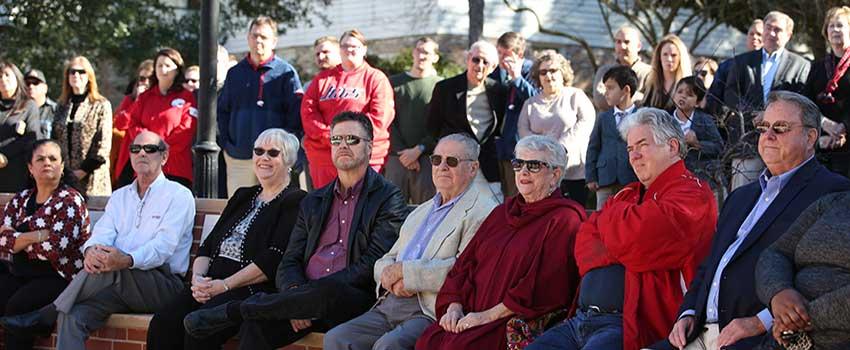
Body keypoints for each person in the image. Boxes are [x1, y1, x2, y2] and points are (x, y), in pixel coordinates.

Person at [183, 112, 407, 349]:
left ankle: (236, 310)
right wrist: (295, 295)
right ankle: (254, 309)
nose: (343, 145)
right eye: (336, 140)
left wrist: (304, 298)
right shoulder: (316, 200)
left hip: (351, 297)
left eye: (352, 139)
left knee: (329, 288)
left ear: (369, 147)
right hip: (300, 297)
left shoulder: (387, 197)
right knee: (256, 327)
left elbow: (373, 262)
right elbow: (290, 259)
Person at [654, 91, 850, 350]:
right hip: (697, 332)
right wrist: (688, 311)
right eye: (763, 127)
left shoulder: (832, 192)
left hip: (757, 338)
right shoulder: (740, 196)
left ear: (810, 137)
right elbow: (712, 263)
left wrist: (762, 321)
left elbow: (824, 277)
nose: (768, 136)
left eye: (780, 128)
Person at [528, 108, 717, 350]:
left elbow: (640, 242)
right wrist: (622, 239)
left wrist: (610, 227)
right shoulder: (627, 194)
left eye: (642, 145)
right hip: (580, 319)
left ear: (671, 146)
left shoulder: (693, 193)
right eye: (629, 148)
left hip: (629, 326)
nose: (634, 155)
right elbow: (585, 246)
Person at [0, 131, 195, 349]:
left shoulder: (178, 195)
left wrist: (127, 259)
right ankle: (54, 312)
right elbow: (102, 233)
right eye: (135, 149)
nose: (142, 153)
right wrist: (91, 250)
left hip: (163, 284)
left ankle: (48, 313)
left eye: (150, 149)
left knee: (111, 272)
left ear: (164, 157)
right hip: (116, 281)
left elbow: (163, 248)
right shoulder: (120, 196)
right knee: (72, 314)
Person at [323, 133, 498, 350]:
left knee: (388, 346)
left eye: (452, 161)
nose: (442, 166)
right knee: (336, 338)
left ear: (473, 168)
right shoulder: (421, 210)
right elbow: (387, 260)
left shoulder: (484, 210)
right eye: (436, 160)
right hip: (389, 301)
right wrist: (389, 275)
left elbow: (463, 269)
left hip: (429, 309)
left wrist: (407, 274)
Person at [414, 135, 585, 350]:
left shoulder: (564, 219)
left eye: (533, 166)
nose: (523, 171)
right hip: (468, 314)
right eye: (518, 164)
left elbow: (543, 287)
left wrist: (484, 317)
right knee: (428, 341)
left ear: (555, 174)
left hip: (508, 320)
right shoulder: (502, 212)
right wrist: (454, 305)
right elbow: (465, 264)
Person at [147, 129, 306, 349]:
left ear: (288, 160)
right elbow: (209, 245)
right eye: (258, 151)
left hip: (250, 288)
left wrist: (224, 286)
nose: (264, 158)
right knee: (163, 323)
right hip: (211, 284)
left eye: (273, 153)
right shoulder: (243, 195)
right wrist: (199, 280)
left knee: (199, 328)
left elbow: (273, 258)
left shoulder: (295, 200)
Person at [0, 140, 90, 350]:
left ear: (61, 165)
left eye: (52, 159)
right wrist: (38, 235)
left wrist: (19, 238)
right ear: (30, 168)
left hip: (59, 276)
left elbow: (57, 250)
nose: (47, 163)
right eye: (40, 159)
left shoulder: (69, 200)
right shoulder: (20, 199)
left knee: (18, 307)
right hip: (22, 273)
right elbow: (3, 242)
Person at [218, 16, 305, 196]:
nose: (258, 40)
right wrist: (228, 144)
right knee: (238, 212)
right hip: (239, 157)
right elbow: (223, 111)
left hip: (273, 158)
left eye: (264, 37)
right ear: (248, 38)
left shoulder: (286, 72)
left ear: (274, 41)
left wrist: (283, 149)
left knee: (274, 212)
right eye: (254, 35)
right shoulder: (235, 73)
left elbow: (295, 116)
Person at [724, 11, 811, 190]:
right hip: (747, 142)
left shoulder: (801, 65)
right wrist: (751, 115)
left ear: (789, 35)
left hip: (784, 144)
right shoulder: (742, 61)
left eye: (777, 30)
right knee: (743, 199)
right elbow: (731, 93)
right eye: (768, 28)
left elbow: (801, 100)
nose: (771, 33)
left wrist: (769, 116)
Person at [301, 29, 395, 189]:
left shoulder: (375, 78)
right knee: (326, 209)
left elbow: (380, 118)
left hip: (363, 156)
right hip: (324, 156)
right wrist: (331, 137)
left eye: (354, 46)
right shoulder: (322, 79)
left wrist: (348, 139)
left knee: (362, 208)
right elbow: (308, 112)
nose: (349, 49)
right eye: (344, 46)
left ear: (364, 49)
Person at [756, 195, 850, 348]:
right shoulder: (833, 202)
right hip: (781, 341)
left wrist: (801, 317)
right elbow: (776, 252)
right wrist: (779, 292)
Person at [427, 40, 507, 201]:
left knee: (491, 211)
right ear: (468, 59)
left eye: (486, 62)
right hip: (453, 164)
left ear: (492, 68)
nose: (480, 65)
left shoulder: (499, 91)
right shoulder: (445, 88)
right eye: (476, 59)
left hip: (487, 164)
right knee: (448, 210)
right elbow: (432, 126)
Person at [518, 51, 596, 204]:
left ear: (563, 73)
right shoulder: (530, 103)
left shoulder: (576, 96)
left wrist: (561, 146)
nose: (548, 75)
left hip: (573, 170)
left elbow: (586, 121)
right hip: (540, 171)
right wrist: (542, 151)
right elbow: (523, 130)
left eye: (553, 70)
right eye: (543, 72)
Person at [114, 48, 197, 189]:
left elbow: (186, 129)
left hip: (176, 169)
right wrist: (149, 146)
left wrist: (160, 149)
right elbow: (133, 123)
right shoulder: (145, 97)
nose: (163, 69)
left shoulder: (187, 97)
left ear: (177, 70)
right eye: (159, 65)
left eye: (168, 66)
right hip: (146, 169)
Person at [385, 37, 442, 204]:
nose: (421, 56)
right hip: (397, 158)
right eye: (419, 50)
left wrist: (418, 150)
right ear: (413, 53)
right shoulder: (394, 83)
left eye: (427, 52)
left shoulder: (441, 86)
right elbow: (387, 121)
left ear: (435, 57)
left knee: (425, 212)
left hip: (427, 159)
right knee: (391, 212)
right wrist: (404, 152)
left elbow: (441, 125)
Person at [52, 56, 113, 196]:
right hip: (64, 178)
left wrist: (81, 172)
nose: (76, 75)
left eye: (81, 72)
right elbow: (54, 139)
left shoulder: (101, 105)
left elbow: (103, 146)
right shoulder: (61, 106)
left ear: (89, 76)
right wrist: (64, 172)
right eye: (72, 72)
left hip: (93, 179)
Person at [491, 32, 538, 198]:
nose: (501, 58)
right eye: (499, 53)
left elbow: (535, 101)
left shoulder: (532, 71)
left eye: (506, 54)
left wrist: (516, 78)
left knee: (515, 197)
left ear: (519, 55)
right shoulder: (496, 72)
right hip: (498, 147)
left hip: (518, 148)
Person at [804, 6, 850, 177]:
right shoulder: (817, 67)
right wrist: (824, 125)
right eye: (831, 26)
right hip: (822, 145)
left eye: (840, 25)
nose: (835, 30)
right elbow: (807, 101)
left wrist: (843, 127)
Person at [586, 66, 639, 209]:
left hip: (631, 178)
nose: (606, 93)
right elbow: (593, 147)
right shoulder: (603, 117)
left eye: (610, 88)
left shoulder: (641, 117)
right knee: (602, 215)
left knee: (628, 214)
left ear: (626, 90)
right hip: (605, 178)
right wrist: (591, 176)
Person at [671, 76, 724, 187]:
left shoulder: (705, 120)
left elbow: (719, 147)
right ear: (673, 94)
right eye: (679, 92)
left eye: (689, 94)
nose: (683, 96)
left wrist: (697, 144)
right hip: (672, 178)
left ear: (698, 102)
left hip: (701, 179)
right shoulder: (665, 120)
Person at [705, 19, 764, 115]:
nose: (754, 37)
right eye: (751, 34)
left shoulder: (771, 68)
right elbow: (714, 96)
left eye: (759, 34)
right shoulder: (727, 66)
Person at [0, 60, 41, 193]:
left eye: (7, 75)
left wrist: (4, 155)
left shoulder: (29, 106)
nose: (3, 79)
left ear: (17, 78)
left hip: (17, 173)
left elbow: (31, 137)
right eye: (0, 76)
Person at [111, 59, 153, 183]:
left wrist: (133, 127)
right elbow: (120, 123)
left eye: (150, 78)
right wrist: (137, 101)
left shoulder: (158, 101)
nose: (145, 82)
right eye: (142, 78)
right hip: (128, 156)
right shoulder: (131, 99)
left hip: (149, 155)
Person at [592, 26, 653, 111]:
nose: (622, 46)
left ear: (638, 46)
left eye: (627, 42)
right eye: (618, 42)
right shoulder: (604, 71)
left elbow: (649, 102)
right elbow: (600, 101)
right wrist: (631, 97)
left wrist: (614, 95)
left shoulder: (649, 72)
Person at [643, 34, 692, 110]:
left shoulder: (688, 86)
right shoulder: (652, 84)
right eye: (665, 54)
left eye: (673, 55)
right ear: (659, 57)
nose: (669, 59)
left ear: (680, 58)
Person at [24, 70, 57, 138]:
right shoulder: (18, 111)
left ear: (45, 88)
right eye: (27, 83)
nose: (31, 86)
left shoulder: (56, 110)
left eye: (35, 83)